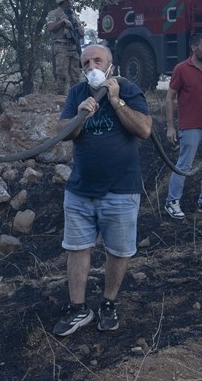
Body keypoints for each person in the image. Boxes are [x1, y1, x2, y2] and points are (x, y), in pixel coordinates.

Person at [52, 43, 152, 337]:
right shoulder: (76, 94)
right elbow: (62, 133)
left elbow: (145, 130)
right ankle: (78, 308)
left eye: (97, 61)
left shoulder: (128, 88)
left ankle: (109, 302)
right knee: (77, 248)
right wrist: (79, 116)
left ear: (110, 65)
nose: (91, 67)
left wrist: (117, 100)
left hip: (121, 189)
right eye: (86, 63)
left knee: (118, 251)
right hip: (80, 189)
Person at [163, 33, 202, 220]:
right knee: (184, 166)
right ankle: (172, 202)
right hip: (190, 127)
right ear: (194, 48)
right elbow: (170, 97)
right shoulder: (182, 69)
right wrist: (170, 127)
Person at [46, 0, 83, 95]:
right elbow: (50, 27)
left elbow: (79, 31)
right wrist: (62, 22)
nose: (72, 1)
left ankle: (75, 97)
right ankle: (60, 96)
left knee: (76, 75)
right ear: (64, 1)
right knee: (61, 74)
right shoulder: (54, 13)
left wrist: (80, 31)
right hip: (61, 45)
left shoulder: (74, 15)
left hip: (74, 46)